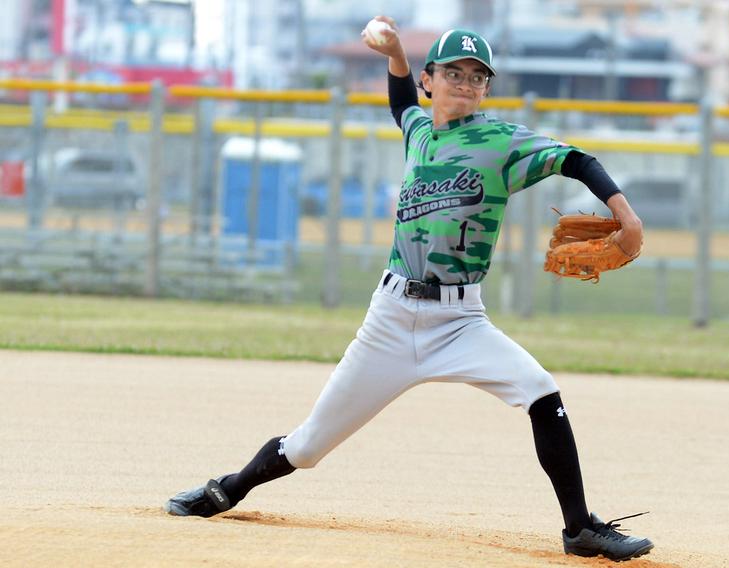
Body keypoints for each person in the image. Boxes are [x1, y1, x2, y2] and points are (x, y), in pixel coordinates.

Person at [165, 17, 650, 561]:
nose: (465, 83)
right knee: (306, 447)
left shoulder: (501, 141)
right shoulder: (419, 131)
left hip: (462, 321)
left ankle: (579, 528)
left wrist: (623, 213)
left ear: (487, 88)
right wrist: (394, 52)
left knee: (541, 392)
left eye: (476, 75)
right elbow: (400, 105)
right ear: (430, 79)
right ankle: (226, 489)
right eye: (453, 72)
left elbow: (577, 160)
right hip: (391, 318)